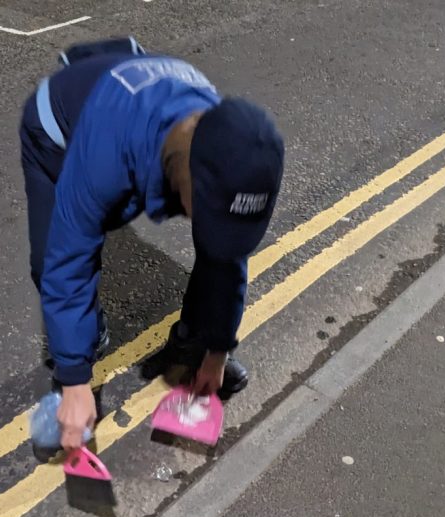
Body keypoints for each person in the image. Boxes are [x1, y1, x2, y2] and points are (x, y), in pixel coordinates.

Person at [18, 37, 285, 452]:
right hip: (58, 132)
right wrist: (74, 383)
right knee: (49, 254)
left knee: (218, 256)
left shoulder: (230, 147)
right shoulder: (105, 153)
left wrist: (215, 349)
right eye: (210, 214)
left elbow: (227, 258)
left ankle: (189, 340)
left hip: (139, 111)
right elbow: (68, 263)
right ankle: (89, 339)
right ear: (184, 176)